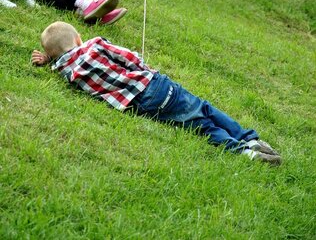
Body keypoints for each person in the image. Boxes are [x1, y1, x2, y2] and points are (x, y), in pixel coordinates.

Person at [31, 20, 282, 165]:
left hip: (144, 106)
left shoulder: (67, 72)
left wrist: (49, 61)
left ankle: (245, 153)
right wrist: (144, 66)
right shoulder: (94, 44)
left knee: (199, 125)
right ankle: (249, 138)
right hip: (155, 85)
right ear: (77, 39)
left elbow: (62, 63)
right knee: (204, 108)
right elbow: (129, 58)